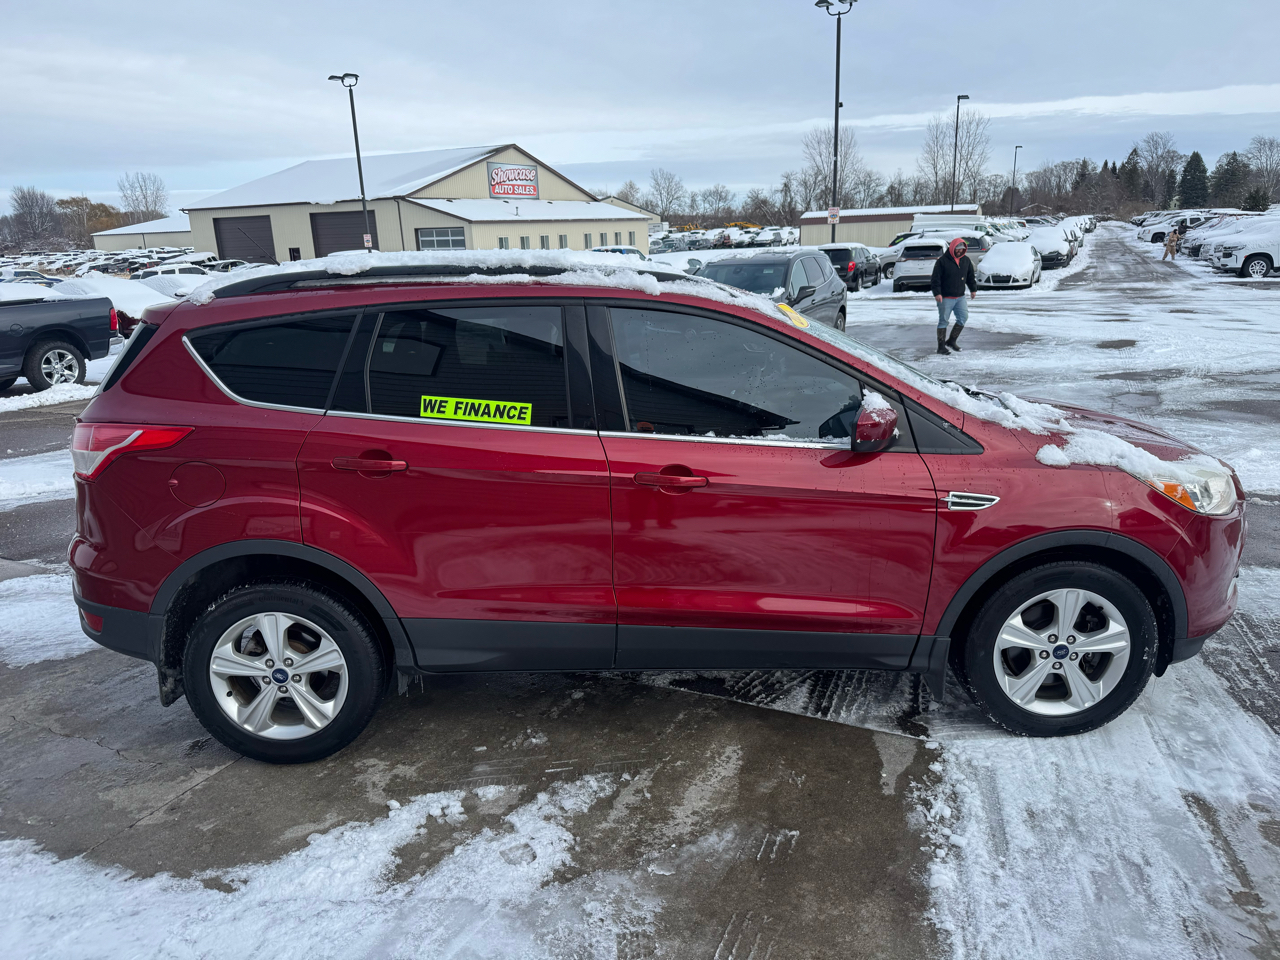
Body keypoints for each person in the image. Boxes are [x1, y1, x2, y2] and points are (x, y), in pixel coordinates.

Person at [931, 237, 976, 354]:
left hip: (960, 297)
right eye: (958, 248)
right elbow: (935, 279)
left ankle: (951, 341)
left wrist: (973, 289)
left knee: (963, 318)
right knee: (943, 321)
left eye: (962, 249)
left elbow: (970, 276)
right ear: (952, 248)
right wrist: (937, 293)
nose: (960, 251)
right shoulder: (942, 261)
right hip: (945, 297)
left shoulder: (966, 261)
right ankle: (941, 347)